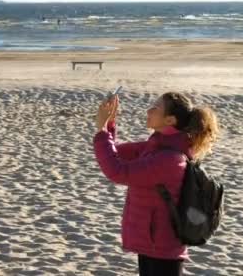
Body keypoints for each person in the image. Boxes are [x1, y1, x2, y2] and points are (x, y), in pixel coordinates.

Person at [93, 92, 220, 276]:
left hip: (163, 248)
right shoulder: (155, 145)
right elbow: (115, 153)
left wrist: (101, 131)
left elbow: (117, 171)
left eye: (156, 108)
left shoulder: (170, 158)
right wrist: (108, 124)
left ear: (170, 120)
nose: (149, 110)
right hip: (150, 243)